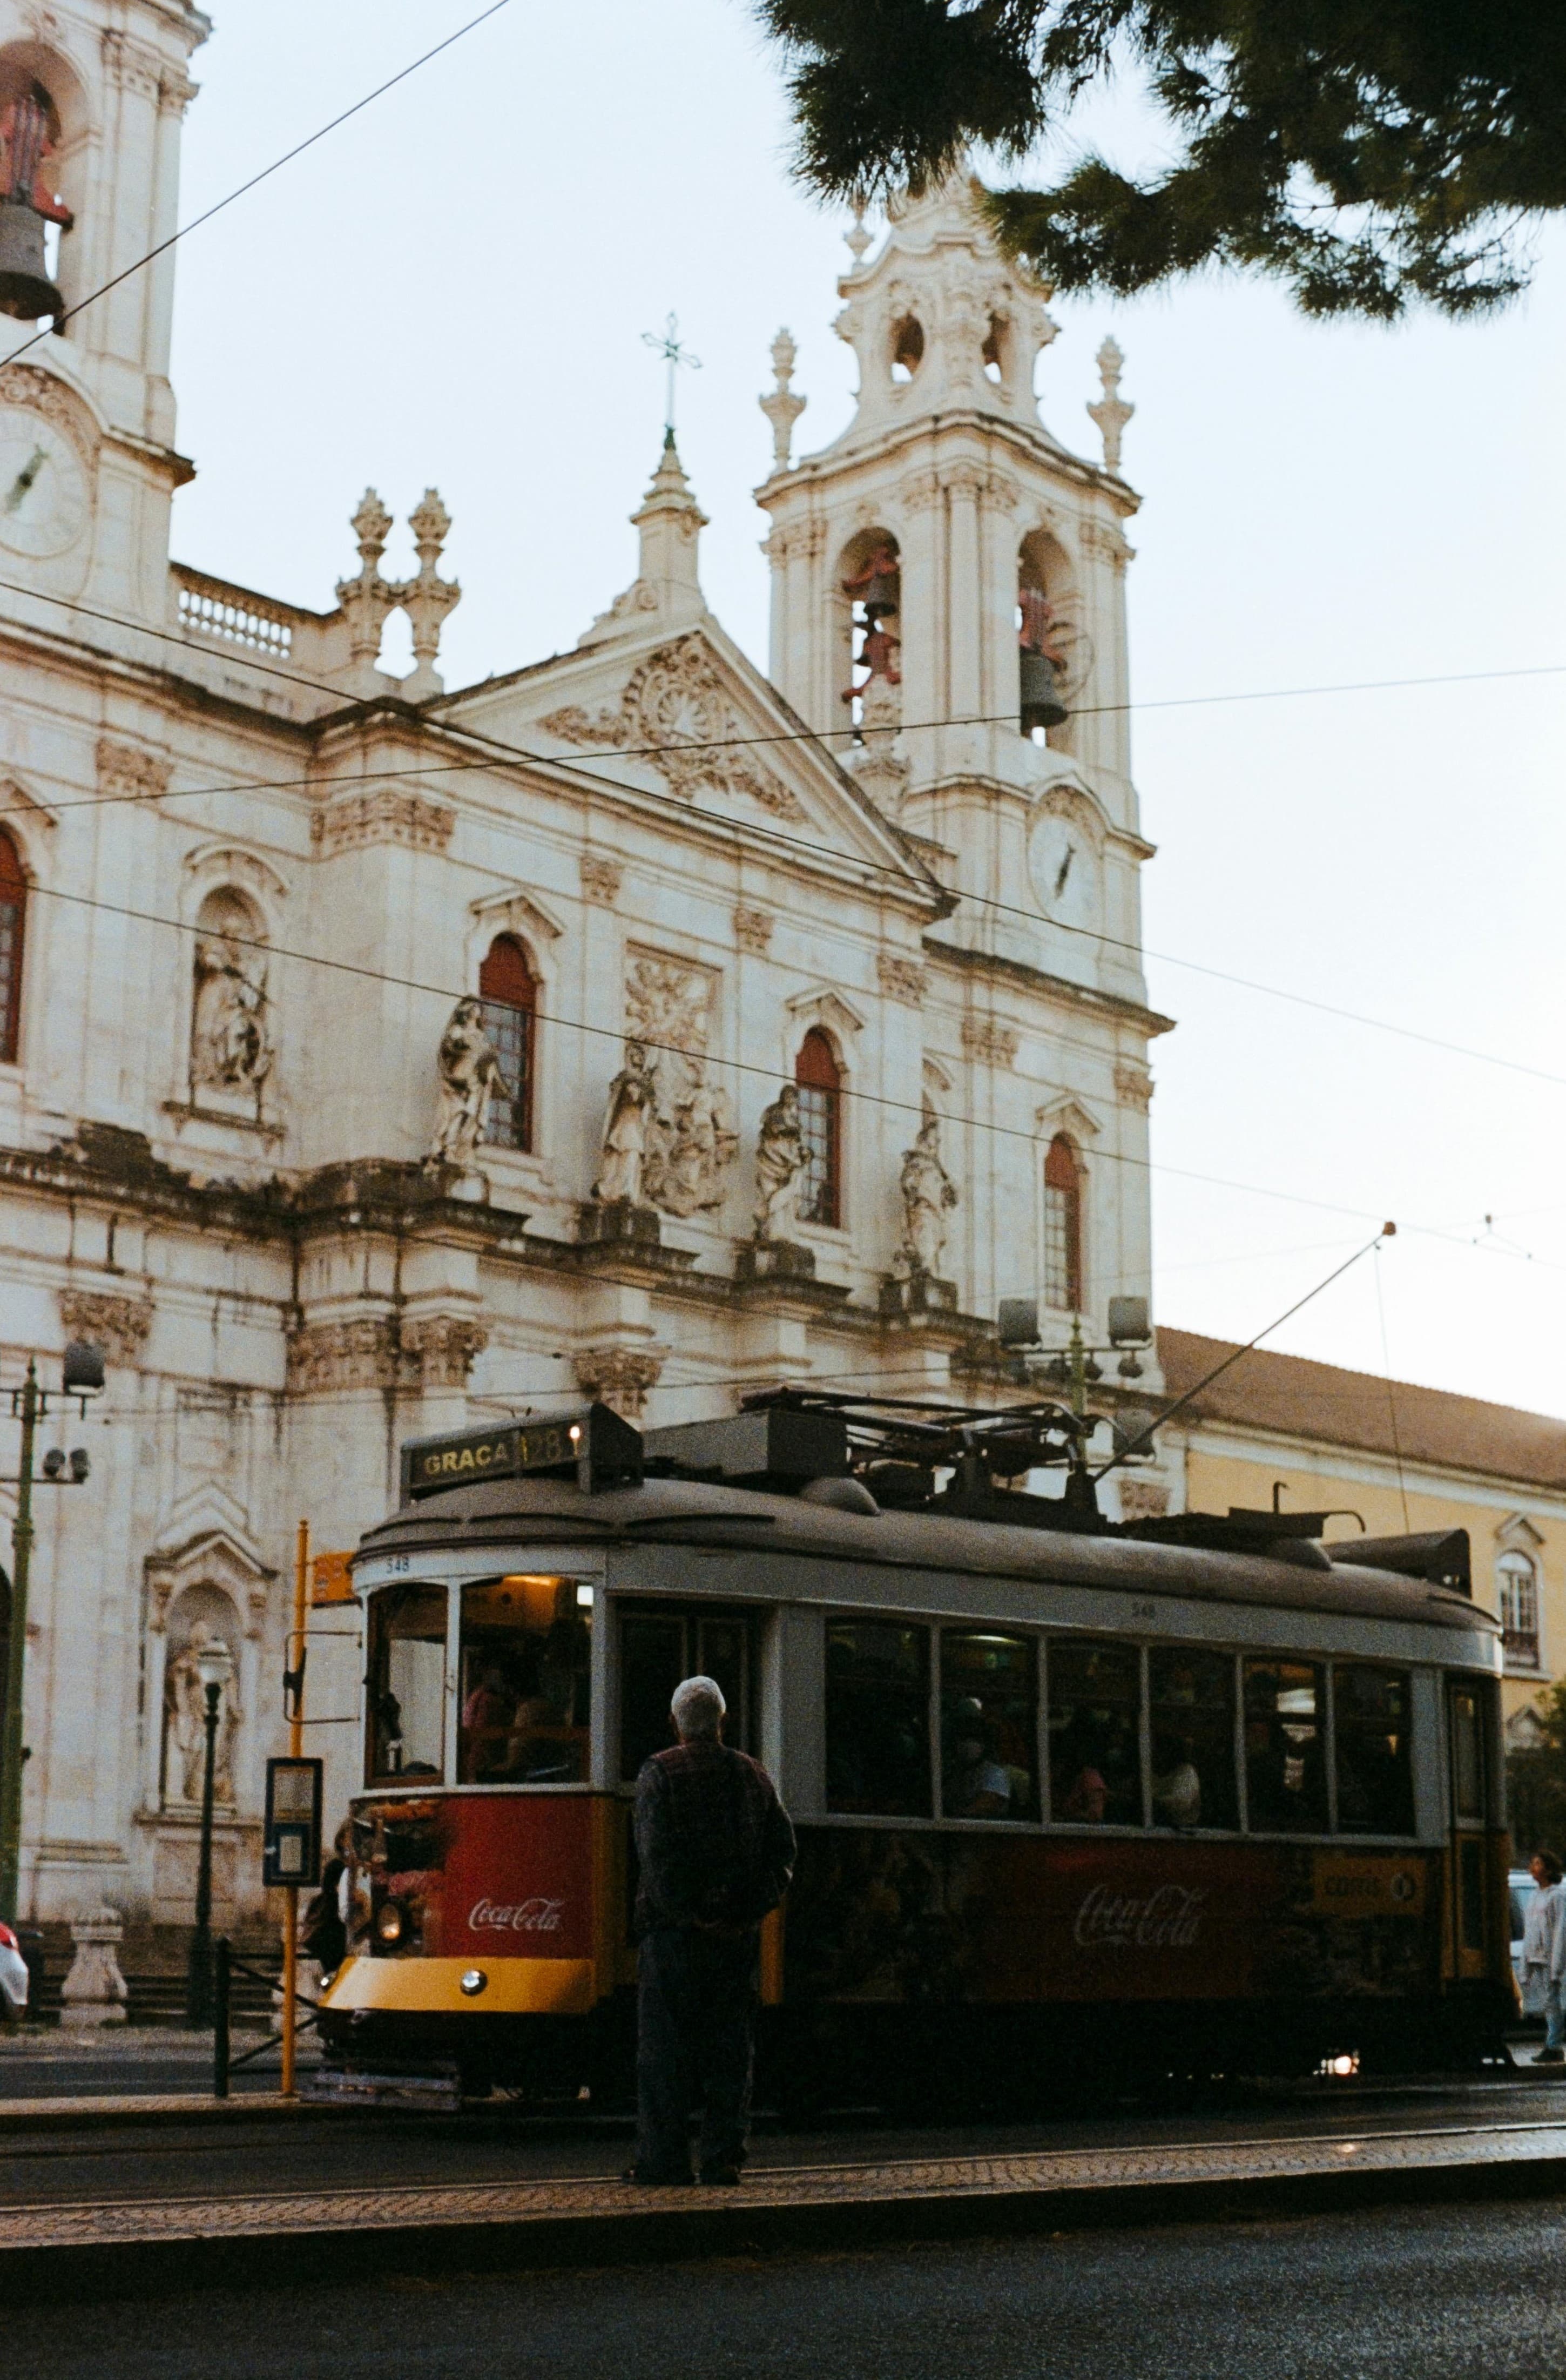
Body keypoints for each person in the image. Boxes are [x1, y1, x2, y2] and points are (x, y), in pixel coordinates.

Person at [630, 1674, 796, 2186]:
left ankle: (665, 2161)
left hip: (672, 1938)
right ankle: (723, 2158)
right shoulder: (754, 1775)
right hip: (735, 1939)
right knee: (730, 2051)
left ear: (674, 1723)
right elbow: (782, 1853)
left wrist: (690, 1913)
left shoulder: (659, 1773)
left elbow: (655, 1860)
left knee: (664, 2053)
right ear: (723, 1721)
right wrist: (745, 1910)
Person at [1522, 1850, 1566, 2064]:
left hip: (1549, 1958)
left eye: (1538, 1863)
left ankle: (1554, 2045)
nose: (1533, 1867)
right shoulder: (1534, 1896)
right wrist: (1525, 1962)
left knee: (1552, 2002)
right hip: (1536, 1957)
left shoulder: (1557, 1896)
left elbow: (1560, 1931)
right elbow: (1529, 1931)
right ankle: (1551, 2042)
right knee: (1546, 2004)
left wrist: (1557, 1964)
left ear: (1548, 1869)